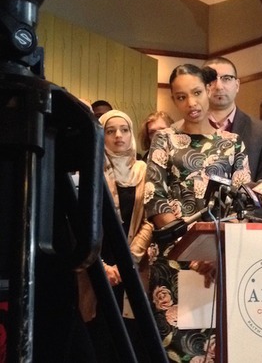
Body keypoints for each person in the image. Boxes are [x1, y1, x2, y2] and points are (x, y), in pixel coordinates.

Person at [144, 64, 251, 362]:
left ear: (209, 90)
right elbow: (156, 199)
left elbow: (243, 202)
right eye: (180, 97)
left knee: (221, 347)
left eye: (196, 93)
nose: (191, 103)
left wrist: (214, 253)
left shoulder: (232, 144)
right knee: (175, 348)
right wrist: (193, 252)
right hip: (174, 260)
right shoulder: (164, 139)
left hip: (218, 258)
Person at [82, 109, 153, 362]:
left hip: (133, 261)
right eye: (110, 131)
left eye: (124, 130)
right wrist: (102, 265)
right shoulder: (90, 167)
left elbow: (150, 219)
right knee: (98, 331)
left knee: (132, 333)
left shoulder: (144, 170)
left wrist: (129, 260)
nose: (118, 136)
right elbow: (80, 220)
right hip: (98, 260)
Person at [202, 56, 262, 184]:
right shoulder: (183, 129)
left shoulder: (261, 132)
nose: (219, 86)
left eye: (226, 79)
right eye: (211, 80)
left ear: (237, 85)